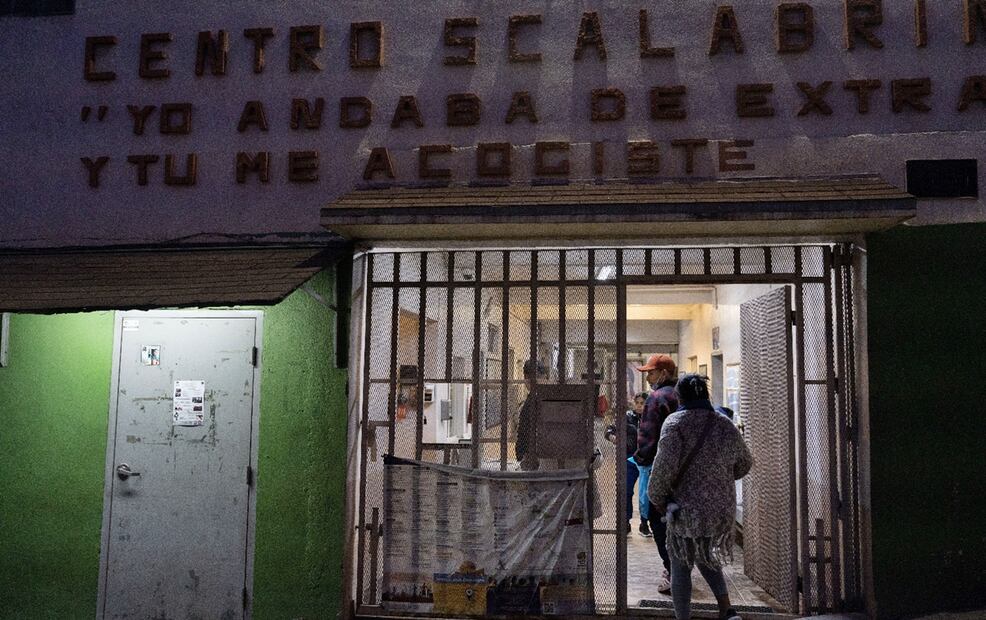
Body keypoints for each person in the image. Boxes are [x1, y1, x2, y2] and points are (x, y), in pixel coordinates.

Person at [648, 374, 753, 620]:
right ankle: (726, 610)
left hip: (685, 508)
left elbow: (663, 468)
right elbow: (745, 462)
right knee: (705, 554)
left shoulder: (675, 423)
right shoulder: (724, 424)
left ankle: (683, 617)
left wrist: (656, 496)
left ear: (680, 397)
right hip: (719, 509)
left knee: (680, 564)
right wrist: (720, 480)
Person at [633, 354, 679, 594]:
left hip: (659, 468)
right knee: (677, 520)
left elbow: (648, 436)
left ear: (663, 373)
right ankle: (680, 566)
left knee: (656, 517)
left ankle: (672, 570)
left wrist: (641, 459)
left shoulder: (656, 398)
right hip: (684, 471)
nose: (648, 378)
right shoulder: (681, 395)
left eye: (651, 373)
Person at [605, 392, 645, 535]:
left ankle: (645, 522)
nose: (639, 406)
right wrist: (613, 437)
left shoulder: (651, 418)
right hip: (630, 458)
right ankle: (626, 522)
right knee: (627, 490)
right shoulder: (627, 418)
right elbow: (609, 430)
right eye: (637, 403)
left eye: (642, 403)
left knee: (646, 493)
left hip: (646, 459)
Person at [515, 360, 546, 471]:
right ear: (544, 377)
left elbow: (524, 431)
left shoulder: (530, 402)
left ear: (526, 378)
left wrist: (521, 454)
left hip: (532, 456)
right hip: (547, 454)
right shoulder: (548, 397)